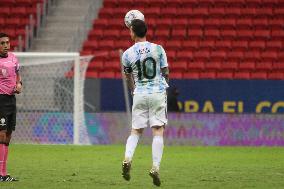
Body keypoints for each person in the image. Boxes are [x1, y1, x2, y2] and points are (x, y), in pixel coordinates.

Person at [121, 19, 169, 187]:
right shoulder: (158, 48)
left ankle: (127, 158)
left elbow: (128, 77)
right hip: (157, 92)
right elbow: (165, 71)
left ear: (133, 31)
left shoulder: (127, 54)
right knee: (157, 130)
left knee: (136, 130)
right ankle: (155, 167)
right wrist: (164, 86)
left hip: (140, 93)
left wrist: (133, 90)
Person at [0, 33, 22, 182]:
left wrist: (20, 84)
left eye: (7, 42)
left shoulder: (14, 57)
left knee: (8, 135)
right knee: (1, 134)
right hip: (0, 100)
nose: (6, 45)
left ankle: (4, 173)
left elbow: (18, 75)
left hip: (11, 100)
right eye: (2, 43)